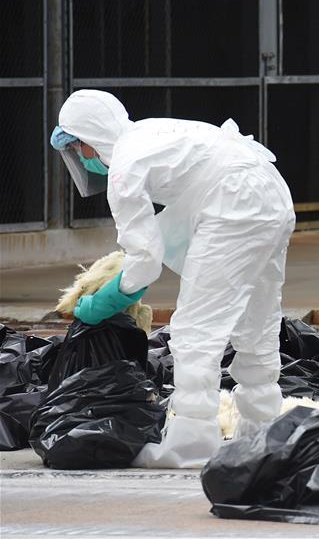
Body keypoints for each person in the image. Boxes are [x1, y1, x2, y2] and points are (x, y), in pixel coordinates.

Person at [50, 90, 295, 468]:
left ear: (87, 139)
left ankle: (192, 443)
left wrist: (102, 303)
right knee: (256, 318)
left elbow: (145, 261)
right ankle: (261, 426)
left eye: (77, 147)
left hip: (234, 204)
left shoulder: (124, 165)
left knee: (196, 329)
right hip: (272, 193)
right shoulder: (152, 132)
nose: (81, 158)